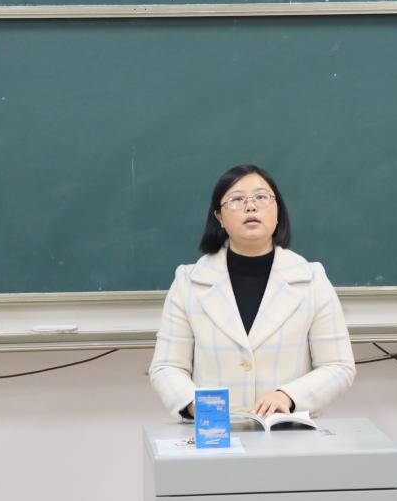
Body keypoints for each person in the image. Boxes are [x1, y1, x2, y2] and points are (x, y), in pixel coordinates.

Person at [148, 164, 355, 420]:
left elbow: (338, 366)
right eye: (236, 200)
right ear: (219, 217)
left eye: (261, 197)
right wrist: (195, 405)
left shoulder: (312, 280)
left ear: (277, 211)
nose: (250, 207)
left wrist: (287, 397)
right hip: (214, 432)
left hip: (286, 430)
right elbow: (167, 366)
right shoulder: (189, 282)